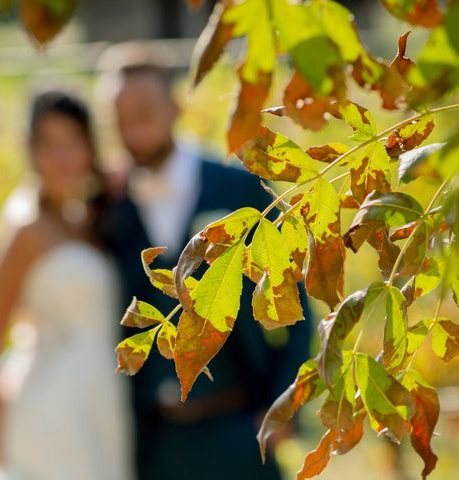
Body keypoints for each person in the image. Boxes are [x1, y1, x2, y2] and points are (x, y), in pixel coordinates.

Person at [101, 47, 313, 480]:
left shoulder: (239, 190)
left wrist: (283, 407)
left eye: (144, 114)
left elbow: (297, 303)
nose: (134, 131)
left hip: (240, 430)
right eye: (121, 120)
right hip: (155, 447)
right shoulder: (110, 209)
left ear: (175, 108)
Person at [0, 91, 134, 480]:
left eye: (72, 143)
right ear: (31, 151)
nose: (62, 158)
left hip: (101, 405)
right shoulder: (24, 229)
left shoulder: (82, 218)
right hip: (50, 413)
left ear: (89, 147)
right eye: (49, 145)